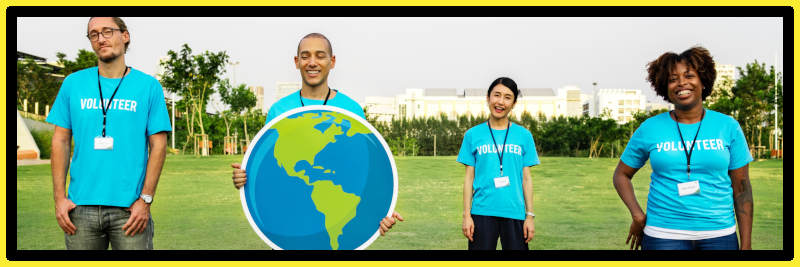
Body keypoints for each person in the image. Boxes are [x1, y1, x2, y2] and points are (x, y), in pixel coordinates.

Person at [230, 33, 403, 236]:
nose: (312, 62)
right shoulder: (279, 111)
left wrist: (380, 211)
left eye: (320, 56)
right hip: (291, 221)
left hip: (334, 220)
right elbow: (269, 172)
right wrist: (244, 178)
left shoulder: (352, 110)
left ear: (332, 61)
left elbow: (362, 170)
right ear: (296, 62)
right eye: (305, 56)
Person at [47, 17, 171, 250]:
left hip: (130, 210)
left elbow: (159, 146)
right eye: (93, 34)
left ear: (125, 36)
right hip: (79, 209)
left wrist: (145, 200)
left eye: (107, 31)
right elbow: (60, 141)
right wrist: (59, 199)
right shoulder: (73, 84)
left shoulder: (149, 86)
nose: (100, 38)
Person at [613, 46, 753, 250]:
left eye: (689, 76)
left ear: (703, 81)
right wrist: (637, 215)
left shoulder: (728, 126)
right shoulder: (650, 128)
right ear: (665, 87)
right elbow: (621, 175)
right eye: (672, 79)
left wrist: (746, 244)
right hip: (663, 236)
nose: (681, 83)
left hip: (720, 235)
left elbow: (742, 189)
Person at [457, 77, 538, 250]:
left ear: (514, 103)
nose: (500, 102)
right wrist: (466, 215)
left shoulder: (524, 135)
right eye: (497, 95)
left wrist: (529, 216)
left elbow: (526, 179)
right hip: (481, 212)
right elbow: (468, 178)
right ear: (488, 97)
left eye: (507, 97)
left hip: (515, 213)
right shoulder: (472, 135)